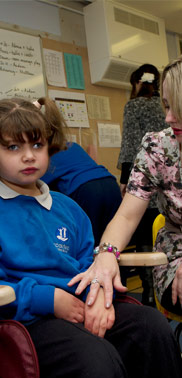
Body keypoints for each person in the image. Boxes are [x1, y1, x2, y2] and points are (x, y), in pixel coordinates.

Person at [0, 97, 182, 378]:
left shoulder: (68, 208)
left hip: (83, 302)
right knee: (96, 358)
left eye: (37, 145)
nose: (28, 156)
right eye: (13, 147)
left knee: (150, 326)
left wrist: (100, 296)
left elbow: (90, 262)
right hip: (27, 319)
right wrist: (49, 299)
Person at [71, 55, 182, 318]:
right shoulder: (158, 147)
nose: (167, 117)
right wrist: (107, 254)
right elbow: (126, 216)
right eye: (165, 106)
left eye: (176, 107)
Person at [39, 97, 122, 247]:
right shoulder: (72, 145)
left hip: (86, 191)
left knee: (89, 242)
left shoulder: (45, 154)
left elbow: (39, 188)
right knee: (111, 241)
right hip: (110, 185)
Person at [117, 64, 168, 305]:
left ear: (137, 82)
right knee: (164, 231)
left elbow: (130, 145)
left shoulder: (134, 106)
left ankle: (149, 293)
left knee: (144, 235)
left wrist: (125, 181)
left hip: (143, 180)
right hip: (168, 183)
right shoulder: (163, 107)